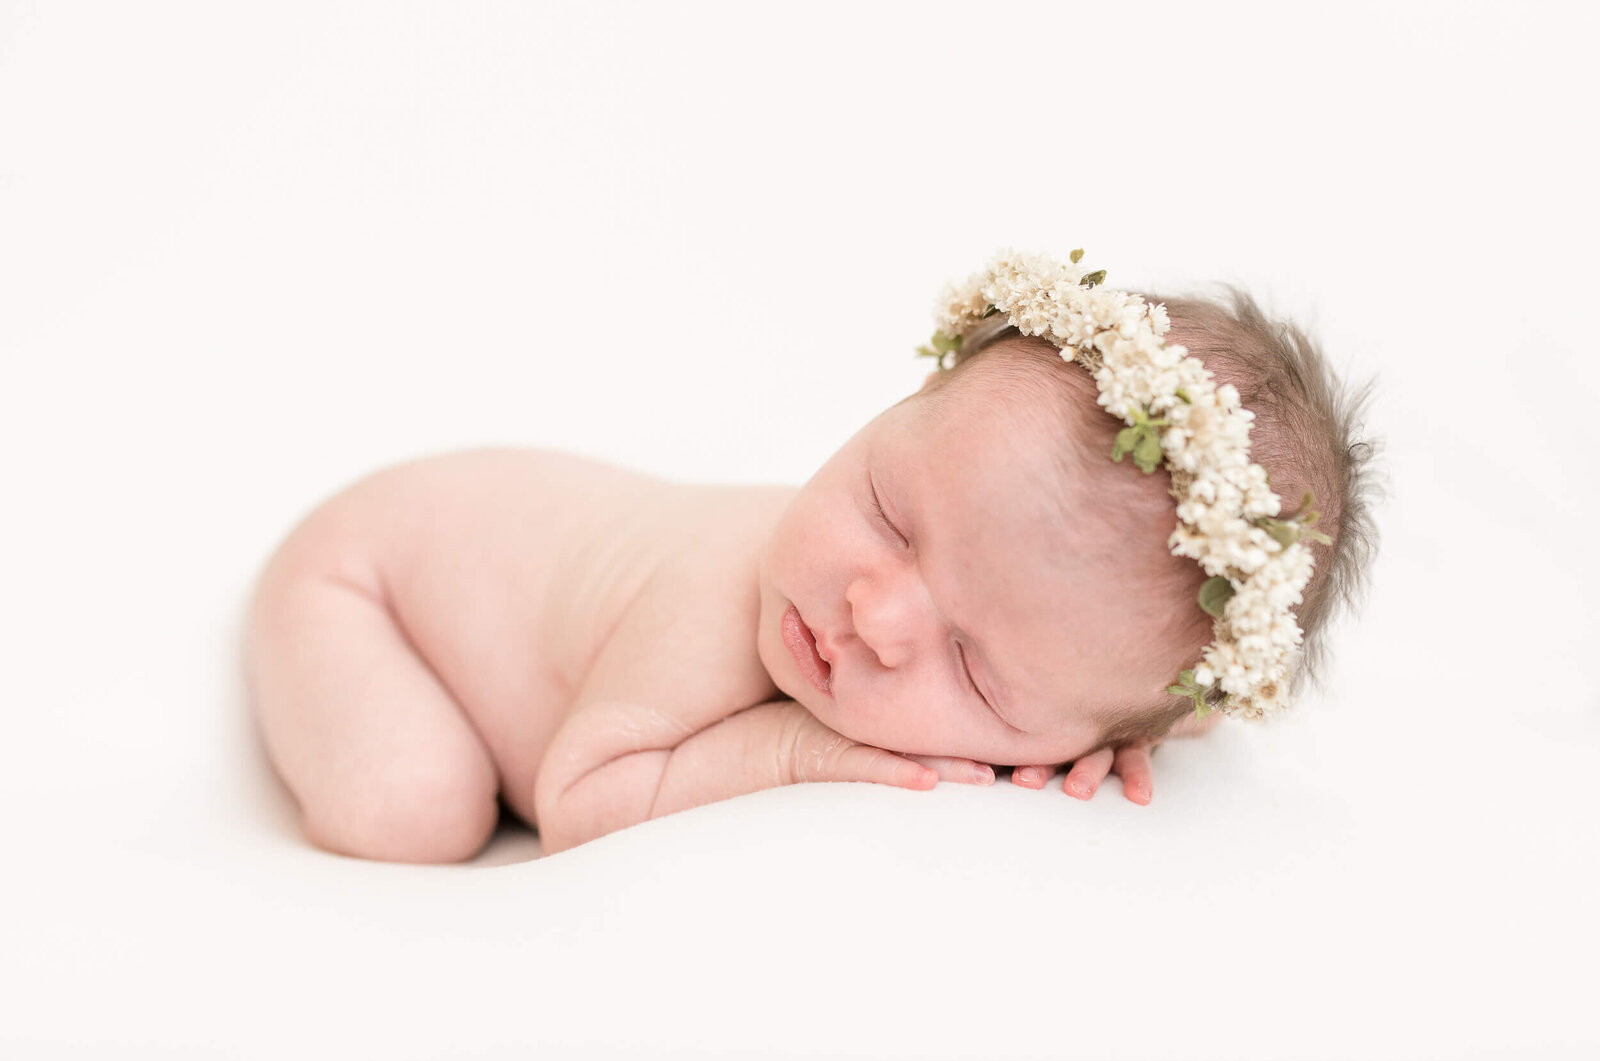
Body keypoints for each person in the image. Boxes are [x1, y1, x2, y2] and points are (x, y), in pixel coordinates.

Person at [241, 249, 1381, 862]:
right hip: (371, 576)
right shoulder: (712, 605)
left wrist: (1141, 728)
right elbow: (578, 797)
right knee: (417, 812)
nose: (871, 614)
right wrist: (785, 749)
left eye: (978, 671)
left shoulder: (1100, 666)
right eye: (888, 512)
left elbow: (1176, 698)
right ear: (905, 400)